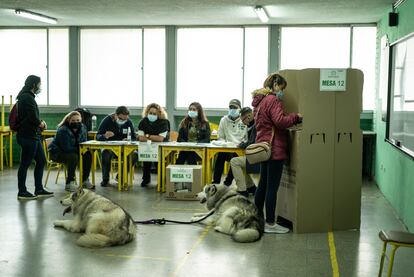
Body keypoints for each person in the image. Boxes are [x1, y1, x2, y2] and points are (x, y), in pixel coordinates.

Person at [252, 73, 302, 234]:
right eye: (282, 88)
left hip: (263, 147)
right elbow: (280, 121)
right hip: (274, 148)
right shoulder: (273, 100)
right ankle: (270, 223)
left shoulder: (259, 102)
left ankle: (257, 217)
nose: (282, 92)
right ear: (275, 85)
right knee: (272, 188)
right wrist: (295, 117)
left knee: (263, 185)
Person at [15, 75, 53, 200]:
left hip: (32, 136)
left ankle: (39, 188)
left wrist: (40, 122)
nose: (40, 87)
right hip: (28, 136)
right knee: (25, 164)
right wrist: (41, 123)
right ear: (34, 85)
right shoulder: (27, 97)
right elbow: (32, 117)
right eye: (39, 84)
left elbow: (30, 115)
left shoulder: (26, 97)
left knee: (41, 161)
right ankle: (22, 191)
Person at [48, 111, 93, 192]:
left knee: (88, 154)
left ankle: (85, 180)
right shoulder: (63, 130)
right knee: (73, 156)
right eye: (73, 121)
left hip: (74, 151)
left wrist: (86, 148)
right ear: (68, 120)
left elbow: (84, 142)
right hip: (57, 153)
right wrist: (81, 149)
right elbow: (66, 148)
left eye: (78, 120)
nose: (76, 122)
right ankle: (69, 183)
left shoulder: (83, 128)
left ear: (81, 120)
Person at [96, 106, 137, 187]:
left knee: (135, 154)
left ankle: (120, 176)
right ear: (116, 115)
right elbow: (98, 136)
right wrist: (105, 136)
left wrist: (129, 139)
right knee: (105, 153)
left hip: (124, 149)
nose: (124, 121)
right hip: (110, 148)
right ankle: (105, 179)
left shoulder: (128, 122)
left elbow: (134, 137)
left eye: (125, 119)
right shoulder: (107, 120)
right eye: (121, 119)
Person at [212, 99, 247, 186]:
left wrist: (241, 144)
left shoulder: (244, 120)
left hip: (239, 149)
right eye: (230, 107)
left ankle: (227, 182)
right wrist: (225, 144)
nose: (232, 109)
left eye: (235, 107)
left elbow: (246, 138)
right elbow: (220, 137)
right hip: (226, 147)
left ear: (240, 109)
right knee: (220, 155)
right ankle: (215, 182)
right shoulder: (223, 120)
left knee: (235, 158)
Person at [137, 103, 170, 187]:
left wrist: (147, 136)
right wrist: (153, 137)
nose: (152, 115)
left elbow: (160, 139)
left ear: (159, 114)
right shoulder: (143, 122)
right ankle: (146, 179)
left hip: (162, 147)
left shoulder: (164, 122)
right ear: (147, 112)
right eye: (150, 113)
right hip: (147, 147)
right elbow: (140, 138)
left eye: (154, 114)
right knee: (146, 158)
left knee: (158, 161)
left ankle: (162, 181)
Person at [230, 107, 259, 197]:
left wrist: (243, 145)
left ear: (249, 116)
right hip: (258, 155)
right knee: (241, 162)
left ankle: (242, 190)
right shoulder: (254, 124)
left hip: (258, 158)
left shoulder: (255, 126)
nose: (242, 122)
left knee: (234, 161)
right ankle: (250, 187)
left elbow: (252, 143)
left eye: (243, 119)